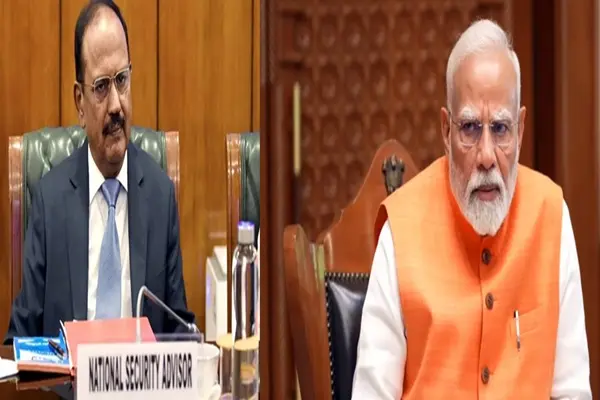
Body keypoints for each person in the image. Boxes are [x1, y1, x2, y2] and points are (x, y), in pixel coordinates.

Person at [351, 19, 591, 399]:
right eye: (469, 128)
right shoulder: (401, 229)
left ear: (520, 129)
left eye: (500, 129)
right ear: (446, 131)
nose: (486, 156)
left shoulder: (552, 217)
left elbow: (571, 390)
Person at [5, 0, 194, 342]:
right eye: (102, 87)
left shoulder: (160, 196)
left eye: (122, 80)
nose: (116, 105)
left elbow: (178, 331)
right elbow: (20, 338)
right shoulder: (50, 202)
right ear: (80, 102)